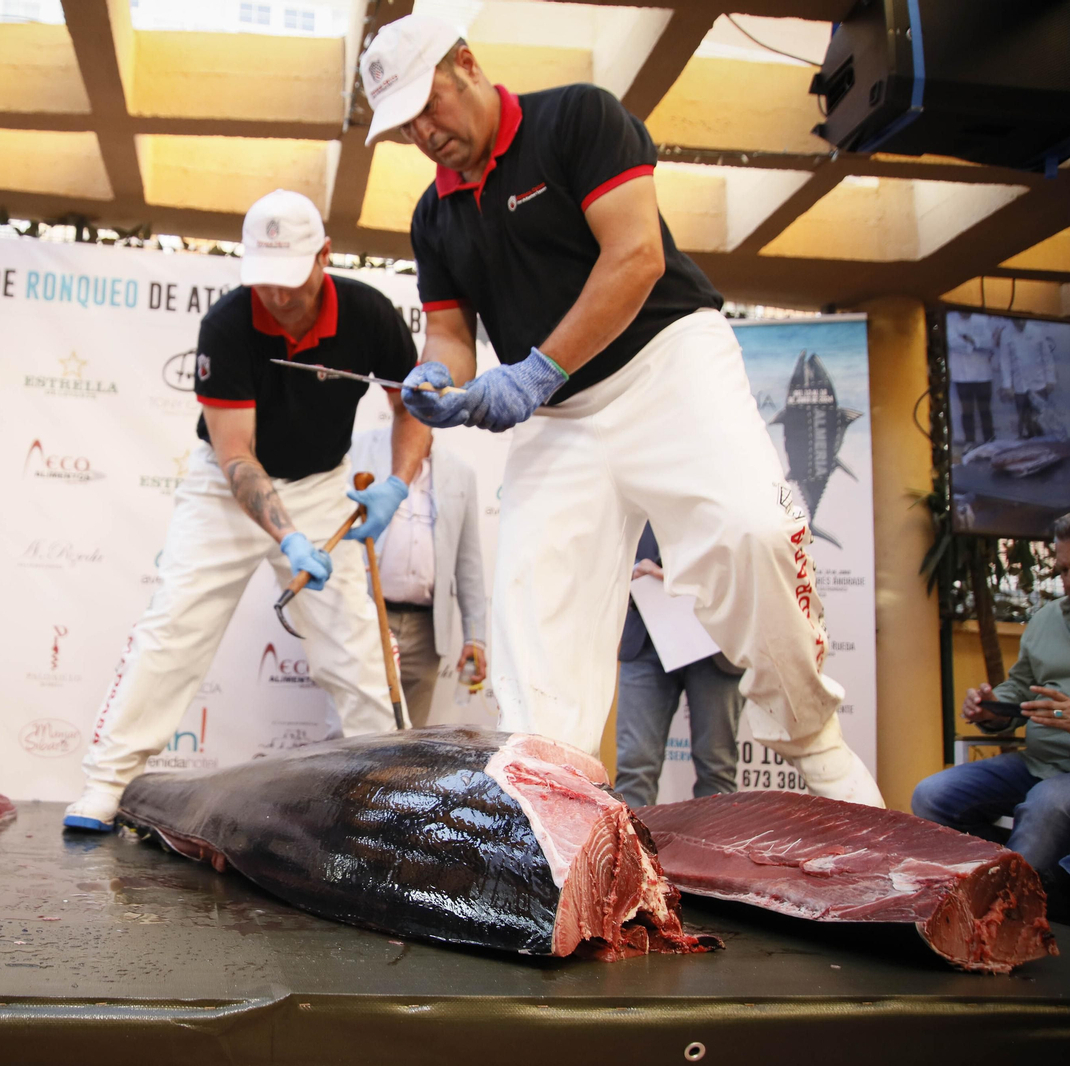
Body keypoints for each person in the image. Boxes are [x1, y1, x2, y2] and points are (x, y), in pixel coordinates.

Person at [359, 14, 882, 804]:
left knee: (753, 530)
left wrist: (535, 370)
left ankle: (817, 744)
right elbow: (449, 331)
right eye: (404, 127)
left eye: (428, 107)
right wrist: (439, 378)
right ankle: (551, 803)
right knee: (534, 603)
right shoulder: (435, 216)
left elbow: (635, 256)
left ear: (465, 62)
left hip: (670, 363)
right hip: (563, 417)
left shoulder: (578, 117)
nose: (424, 135)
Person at [64, 189, 431, 831]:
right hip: (227, 488)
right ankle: (107, 782)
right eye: (265, 281)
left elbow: (412, 408)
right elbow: (237, 458)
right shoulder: (229, 324)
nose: (279, 298)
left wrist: (397, 486)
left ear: (325, 256)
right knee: (175, 626)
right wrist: (289, 538)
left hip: (321, 483)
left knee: (358, 648)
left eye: (291, 281)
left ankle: (389, 796)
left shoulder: (370, 314)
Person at [912, 510, 1070, 914]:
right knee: (931, 796)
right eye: (1064, 570)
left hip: (1065, 781)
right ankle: (1010, 881)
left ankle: (1004, 916)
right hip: (1040, 761)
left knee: (1047, 806)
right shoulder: (1046, 620)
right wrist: (990, 708)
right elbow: (1021, 689)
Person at [348, 425, 487, 726]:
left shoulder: (460, 473)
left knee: (410, 743)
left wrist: (475, 638)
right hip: (367, 619)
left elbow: (469, 562)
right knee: (354, 731)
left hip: (426, 633)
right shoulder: (357, 454)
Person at [613, 525, 743, 808]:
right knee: (634, 767)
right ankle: (632, 853)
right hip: (644, 633)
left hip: (716, 636)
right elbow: (604, 545)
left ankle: (715, 853)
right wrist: (631, 572)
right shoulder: (636, 479)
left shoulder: (735, 482)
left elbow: (750, 551)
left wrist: (684, 576)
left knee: (717, 770)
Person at [996, 318, 1058, 440]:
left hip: (1039, 383)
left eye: (1022, 321)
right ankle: (1028, 449)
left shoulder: (1037, 331)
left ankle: (1044, 448)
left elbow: (1047, 357)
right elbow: (1005, 361)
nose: (1020, 323)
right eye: (1017, 321)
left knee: (1041, 419)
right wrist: (1007, 385)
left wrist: (1051, 379)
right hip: (1020, 384)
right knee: (1024, 420)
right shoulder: (1006, 333)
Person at [949, 313, 999, 447]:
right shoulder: (949, 319)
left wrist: (971, 340)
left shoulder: (982, 319)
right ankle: (969, 443)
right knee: (967, 411)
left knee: (985, 411)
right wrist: (976, 344)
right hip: (962, 375)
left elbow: (989, 343)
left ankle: (990, 443)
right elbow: (952, 342)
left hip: (983, 374)